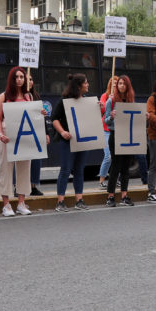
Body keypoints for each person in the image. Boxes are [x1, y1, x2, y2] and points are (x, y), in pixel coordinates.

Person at [0, 67, 34, 216]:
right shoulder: (3, 96)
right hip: (7, 137)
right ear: (11, 79)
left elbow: (32, 117)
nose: (19, 80)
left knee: (24, 169)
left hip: (24, 137)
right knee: (5, 169)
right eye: (16, 77)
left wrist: (39, 113)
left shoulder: (28, 96)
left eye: (22, 77)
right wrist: (0, 134)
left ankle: (21, 203)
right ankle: (6, 205)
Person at [52, 73, 91, 211]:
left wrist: (98, 108)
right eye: (86, 83)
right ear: (79, 86)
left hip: (82, 141)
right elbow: (54, 118)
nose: (88, 85)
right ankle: (60, 202)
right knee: (65, 170)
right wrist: (62, 132)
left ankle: (79, 200)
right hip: (67, 141)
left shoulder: (87, 101)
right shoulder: (64, 101)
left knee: (79, 170)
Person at [104, 75, 137, 207]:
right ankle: (110, 196)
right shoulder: (111, 101)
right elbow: (105, 121)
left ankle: (124, 195)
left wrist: (143, 117)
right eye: (119, 84)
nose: (121, 86)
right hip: (115, 135)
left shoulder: (131, 101)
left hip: (128, 136)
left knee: (125, 168)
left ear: (128, 86)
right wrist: (111, 117)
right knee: (116, 166)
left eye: (124, 84)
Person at [25, 73, 46, 196]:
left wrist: (46, 133)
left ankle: (33, 186)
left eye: (31, 79)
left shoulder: (36, 96)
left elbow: (41, 117)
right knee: (21, 160)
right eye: (26, 79)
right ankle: (18, 187)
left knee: (36, 159)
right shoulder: (17, 96)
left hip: (35, 132)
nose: (29, 82)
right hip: (22, 132)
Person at [97, 75, 118, 189]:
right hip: (106, 130)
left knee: (117, 156)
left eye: (117, 82)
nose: (115, 84)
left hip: (117, 130)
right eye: (113, 82)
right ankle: (102, 180)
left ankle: (116, 179)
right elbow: (102, 110)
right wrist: (108, 102)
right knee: (108, 156)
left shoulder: (121, 97)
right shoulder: (105, 96)